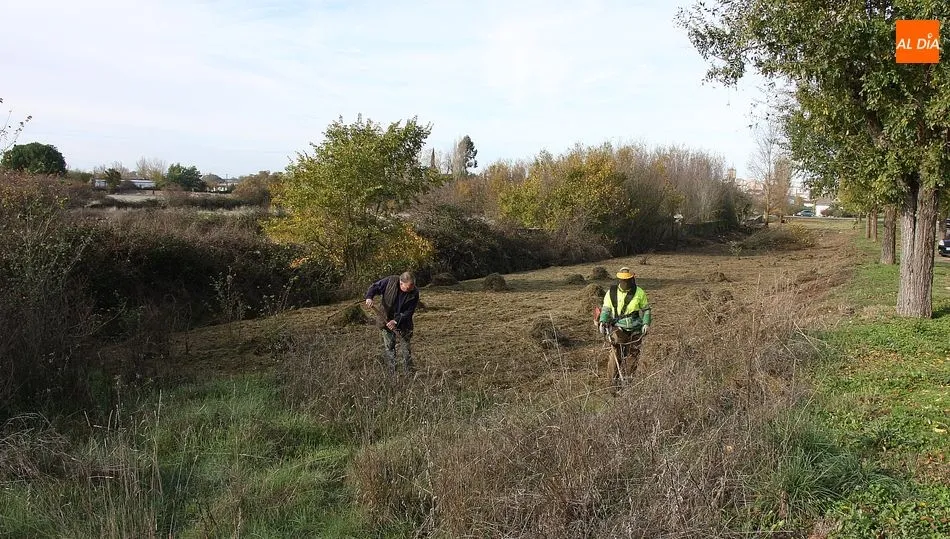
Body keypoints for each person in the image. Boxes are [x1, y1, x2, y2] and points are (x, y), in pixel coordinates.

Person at [597, 267, 651, 386]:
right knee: (616, 353)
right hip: (618, 327)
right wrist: (603, 321)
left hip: (636, 328)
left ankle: (628, 382)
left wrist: (646, 323)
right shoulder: (611, 293)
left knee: (633, 355)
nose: (626, 282)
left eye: (628, 280)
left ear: (632, 279)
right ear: (619, 280)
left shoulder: (639, 292)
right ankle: (612, 384)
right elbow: (606, 309)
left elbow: (646, 310)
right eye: (623, 280)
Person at [365, 271, 419, 375]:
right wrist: (369, 297)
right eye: (408, 288)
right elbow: (374, 287)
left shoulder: (414, 292)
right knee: (389, 347)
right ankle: (392, 373)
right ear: (401, 283)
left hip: (404, 323)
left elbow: (409, 312)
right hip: (385, 321)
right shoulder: (390, 282)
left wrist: (396, 321)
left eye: (412, 287)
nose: (411, 290)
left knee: (406, 349)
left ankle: (409, 373)